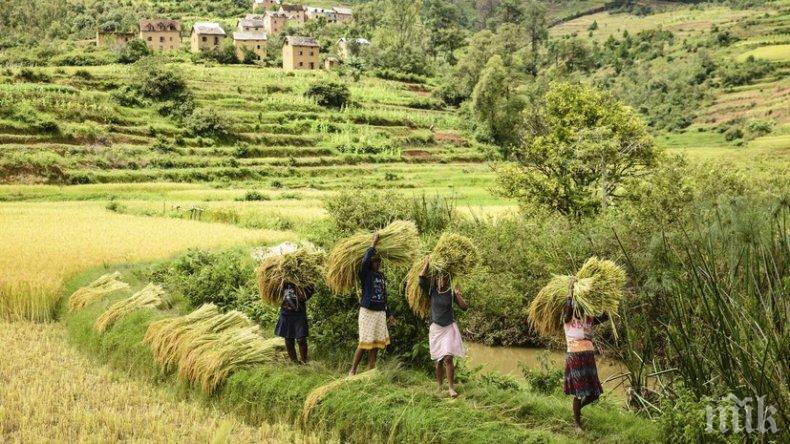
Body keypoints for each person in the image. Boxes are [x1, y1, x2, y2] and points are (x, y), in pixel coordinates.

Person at [563, 277, 608, 431]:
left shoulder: (589, 319)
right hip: (575, 355)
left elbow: (606, 316)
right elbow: (568, 310)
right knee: (579, 392)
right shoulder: (569, 318)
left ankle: (577, 412)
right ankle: (577, 425)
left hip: (588, 356)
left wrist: (605, 296)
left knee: (594, 393)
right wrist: (570, 292)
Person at [419, 258, 468, 398]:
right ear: (436, 280)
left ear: (448, 281)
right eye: (439, 279)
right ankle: (440, 387)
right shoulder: (432, 291)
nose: (442, 282)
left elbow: (464, 308)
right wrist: (427, 263)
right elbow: (421, 279)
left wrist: (458, 294)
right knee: (438, 360)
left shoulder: (451, 293)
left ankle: (451, 388)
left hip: (448, 328)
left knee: (448, 358)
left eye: (445, 279)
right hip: (436, 329)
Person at [349, 232, 396, 375]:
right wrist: (373, 243)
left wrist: (389, 314)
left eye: (379, 262)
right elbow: (364, 261)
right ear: (371, 262)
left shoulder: (380, 276)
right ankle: (353, 371)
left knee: (375, 343)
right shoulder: (365, 273)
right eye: (375, 261)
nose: (377, 264)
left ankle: (370, 371)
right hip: (368, 311)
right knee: (364, 342)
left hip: (380, 312)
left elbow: (384, 297)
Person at [274, 282, 314, 364]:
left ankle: (304, 361)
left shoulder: (305, 282)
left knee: (301, 339)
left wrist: (297, 285)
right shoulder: (282, 281)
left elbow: (305, 297)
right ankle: (294, 362)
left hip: (299, 313)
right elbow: (275, 292)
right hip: (285, 313)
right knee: (288, 339)